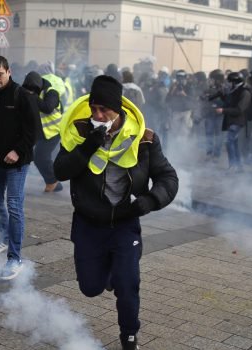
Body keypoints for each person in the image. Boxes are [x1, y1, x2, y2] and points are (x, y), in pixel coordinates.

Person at [53, 75, 178, 350]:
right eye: (93, 108)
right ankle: (109, 274)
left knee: (128, 281)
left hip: (124, 223)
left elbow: (168, 178)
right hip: (88, 223)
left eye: (104, 110)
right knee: (90, 287)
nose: (97, 115)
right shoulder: (78, 131)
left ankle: (129, 335)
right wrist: (89, 145)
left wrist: (150, 201)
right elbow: (59, 171)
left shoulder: (144, 138)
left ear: (118, 110)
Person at [0, 56, 37, 280]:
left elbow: (34, 130)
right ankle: (4, 235)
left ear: (9, 71)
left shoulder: (22, 95)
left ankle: (15, 258)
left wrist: (18, 151)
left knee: (13, 205)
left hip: (17, 162)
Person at [22, 71, 63, 192]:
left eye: (32, 89)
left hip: (54, 131)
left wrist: (32, 96)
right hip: (40, 132)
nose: (30, 91)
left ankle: (53, 181)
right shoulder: (32, 92)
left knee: (41, 156)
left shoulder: (52, 92)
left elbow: (47, 108)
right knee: (33, 155)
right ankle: (53, 182)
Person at [216, 72, 250, 172]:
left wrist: (223, 110)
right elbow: (228, 102)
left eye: (230, 82)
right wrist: (222, 95)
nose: (228, 84)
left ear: (235, 82)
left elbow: (239, 109)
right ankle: (238, 166)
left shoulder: (245, 92)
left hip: (237, 122)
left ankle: (233, 165)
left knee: (229, 141)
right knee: (234, 143)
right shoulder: (234, 91)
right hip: (231, 121)